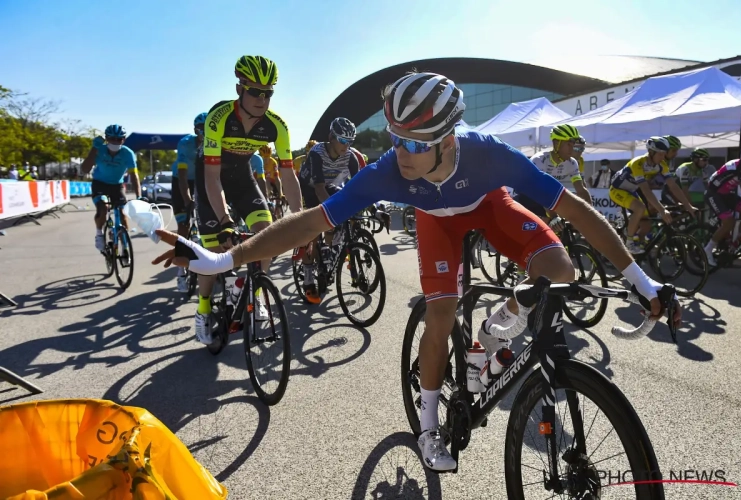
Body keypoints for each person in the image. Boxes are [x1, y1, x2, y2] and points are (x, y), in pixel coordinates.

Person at [152, 71, 680, 472]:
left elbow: (576, 211)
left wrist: (642, 280)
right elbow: (309, 222)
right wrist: (225, 259)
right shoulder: (389, 171)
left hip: (487, 202)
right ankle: (429, 426)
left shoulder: (490, 155)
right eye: (394, 139)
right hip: (435, 223)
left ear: (448, 141)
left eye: (414, 144)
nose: (400, 154)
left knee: (559, 270)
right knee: (442, 316)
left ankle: (500, 324)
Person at [191, 54, 303, 344]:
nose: (261, 99)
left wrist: (301, 216)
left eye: (268, 93)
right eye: (255, 91)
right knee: (214, 252)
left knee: (267, 237)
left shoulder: (276, 125)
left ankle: (257, 294)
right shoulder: (220, 117)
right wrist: (225, 220)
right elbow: (212, 177)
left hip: (242, 177)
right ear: (240, 88)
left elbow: (288, 175)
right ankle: (203, 308)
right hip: (211, 177)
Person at [297, 117, 363, 303]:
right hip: (310, 187)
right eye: (342, 140)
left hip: (330, 185)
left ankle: (327, 254)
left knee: (336, 221)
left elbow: (358, 186)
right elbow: (318, 189)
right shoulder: (317, 153)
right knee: (313, 232)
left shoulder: (351, 156)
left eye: (350, 141)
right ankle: (309, 279)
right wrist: (335, 213)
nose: (346, 145)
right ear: (330, 137)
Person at [609, 137, 696, 254]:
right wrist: (662, 210)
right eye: (660, 155)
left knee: (646, 226)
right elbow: (645, 190)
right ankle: (629, 243)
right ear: (651, 152)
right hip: (617, 190)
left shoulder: (661, 165)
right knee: (640, 208)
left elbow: (673, 186)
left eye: (664, 154)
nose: (662, 158)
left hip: (632, 191)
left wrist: (688, 206)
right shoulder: (638, 163)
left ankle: (635, 248)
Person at [513, 124, 593, 233]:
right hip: (526, 195)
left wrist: (592, 214)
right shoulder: (539, 160)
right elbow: (540, 193)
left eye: (573, 144)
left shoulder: (572, 163)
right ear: (556, 143)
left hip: (546, 197)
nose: (572, 148)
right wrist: (554, 216)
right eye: (568, 144)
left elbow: (581, 190)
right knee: (544, 224)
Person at [81, 124, 140, 251]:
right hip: (100, 183)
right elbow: (84, 169)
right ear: (106, 139)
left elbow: (134, 175)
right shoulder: (99, 150)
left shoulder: (128, 153)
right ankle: (99, 234)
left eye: (119, 139)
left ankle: (125, 245)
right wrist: (93, 149)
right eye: (112, 139)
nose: (115, 142)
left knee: (122, 214)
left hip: (117, 185)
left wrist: (139, 196)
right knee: (103, 207)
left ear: (123, 140)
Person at [172, 112, 205, 292]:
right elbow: (183, 177)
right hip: (181, 181)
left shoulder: (214, 143)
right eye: (201, 129)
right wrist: (188, 200)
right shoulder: (185, 144)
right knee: (183, 226)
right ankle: (181, 273)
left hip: (200, 181)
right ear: (195, 130)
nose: (205, 132)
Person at [704, 158, 741, 267]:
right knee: (729, 222)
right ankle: (708, 249)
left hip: (727, 194)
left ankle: (735, 243)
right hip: (713, 194)